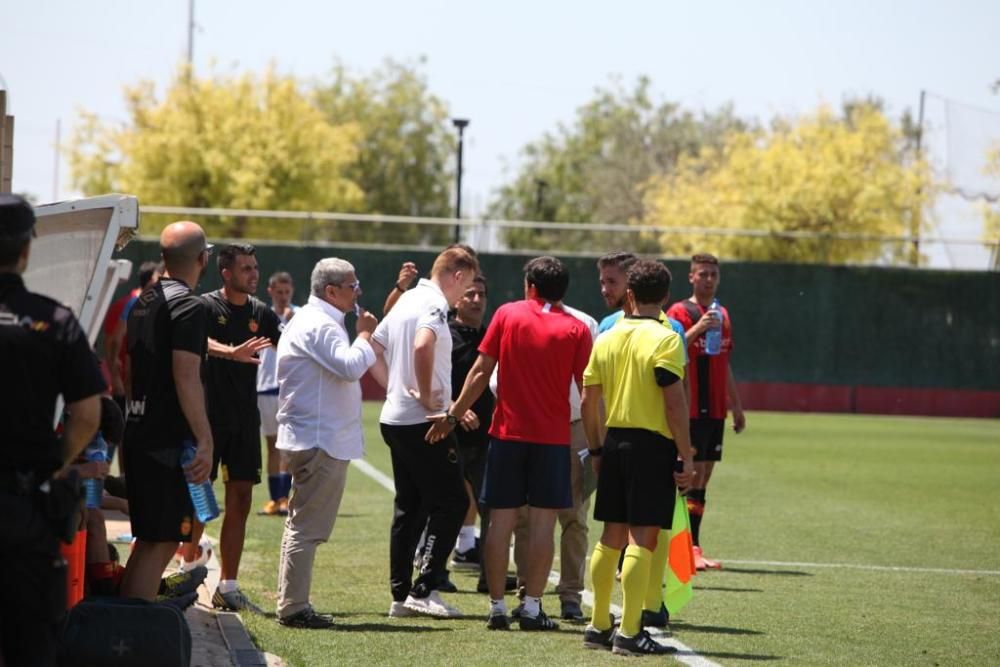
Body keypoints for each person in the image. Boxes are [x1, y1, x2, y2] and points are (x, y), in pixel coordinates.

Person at [428, 256, 593, 632]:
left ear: (530, 286)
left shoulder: (506, 314)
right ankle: (533, 608)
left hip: (506, 437)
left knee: (499, 523)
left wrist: (453, 415)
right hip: (552, 441)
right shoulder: (577, 328)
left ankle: (498, 608)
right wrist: (597, 443)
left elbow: (480, 371)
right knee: (542, 526)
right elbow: (586, 393)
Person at [0, 194, 104, 666]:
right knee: (30, 644)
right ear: (26, 251)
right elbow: (87, 416)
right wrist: (54, 463)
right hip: (23, 508)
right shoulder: (54, 320)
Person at [580, 259, 695, 656]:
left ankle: (597, 626)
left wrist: (597, 448)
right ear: (665, 297)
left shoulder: (606, 337)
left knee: (610, 537)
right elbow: (675, 404)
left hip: (614, 443)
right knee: (641, 541)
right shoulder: (666, 339)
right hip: (652, 447)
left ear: (629, 293)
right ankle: (629, 633)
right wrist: (686, 454)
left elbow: (588, 400)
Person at [370, 246, 479, 619]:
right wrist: (433, 407)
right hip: (421, 422)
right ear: (458, 275)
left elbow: (374, 343)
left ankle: (400, 595)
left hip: (395, 418)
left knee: (410, 507)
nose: (463, 298)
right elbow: (422, 344)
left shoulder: (407, 298)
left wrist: (394, 390)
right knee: (452, 502)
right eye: (465, 289)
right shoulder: (432, 303)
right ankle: (424, 587)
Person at [274, 258, 378, 629]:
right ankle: (294, 606)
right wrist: (365, 334)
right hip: (319, 439)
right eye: (353, 285)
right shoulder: (319, 324)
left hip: (313, 436)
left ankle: (292, 601)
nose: (358, 292)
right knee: (307, 528)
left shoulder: (315, 320)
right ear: (331, 291)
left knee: (300, 524)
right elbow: (350, 366)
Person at [181, 243, 279, 613]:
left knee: (241, 498)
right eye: (246, 269)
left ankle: (229, 586)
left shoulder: (261, 313)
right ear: (225, 273)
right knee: (198, 499)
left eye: (255, 268)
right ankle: (187, 568)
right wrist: (230, 351)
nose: (253, 274)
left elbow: (290, 346)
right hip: (206, 419)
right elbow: (197, 342)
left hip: (245, 419)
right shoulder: (205, 306)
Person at [119, 220, 214, 603]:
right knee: (161, 542)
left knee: (149, 542)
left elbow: (127, 367)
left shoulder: (143, 299)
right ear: (204, 258)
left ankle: (124, 632)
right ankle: (132, 639)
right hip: (166, 441)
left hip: (140, 430)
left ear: (164, 257)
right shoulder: (189, 304)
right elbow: (186, 374)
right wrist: (205, 439)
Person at [510, 300, 599, 621]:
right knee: (525, 515)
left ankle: (570, 594)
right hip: (533, 428)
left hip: (573, 428)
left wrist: (594, 437)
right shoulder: (516, 319)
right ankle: (526, 590)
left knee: (573, 516)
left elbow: (592, 384)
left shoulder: (584, 322)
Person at [666, 253, 746, 570]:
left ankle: (693, 546)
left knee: (704, 477)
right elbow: (671, 348)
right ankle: (679, 546)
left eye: (713, 274)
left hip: (714, 409)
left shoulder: (722, 314)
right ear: (691, 277)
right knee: (689, 475)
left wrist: (736, 406)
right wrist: (698, 327)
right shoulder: (679, 312)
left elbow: (724, 363)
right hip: (690, 407)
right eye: (703, 274)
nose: (709, 279)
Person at [257, 271, 298, 516]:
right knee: (272, 445)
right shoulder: (262, 315)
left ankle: (285, 498)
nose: (283, 297)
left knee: (288, 446)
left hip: (288, 387)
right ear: (270, 291)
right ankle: (275, 499)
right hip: (264, 387)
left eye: (287, 292)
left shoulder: (299, 314)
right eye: (279, 292)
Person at [104, 261, 160, 418]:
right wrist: (115, 374)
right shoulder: (134, 303)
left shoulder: (145, 303)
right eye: (159, 278)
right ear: (151, 281)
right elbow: (114, 339)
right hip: (132, 381)